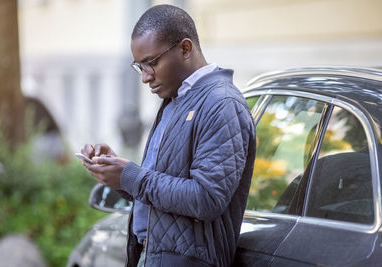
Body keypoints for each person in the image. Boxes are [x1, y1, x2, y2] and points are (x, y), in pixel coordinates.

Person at [80, 4, 256, 267]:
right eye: (140, 67)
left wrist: (131, 175)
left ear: (185, 48)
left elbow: (206, 199)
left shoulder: (222, 104)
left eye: (151, 63)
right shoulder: (174, 100)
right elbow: (158, 191)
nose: (145, 78)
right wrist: (117, 174)